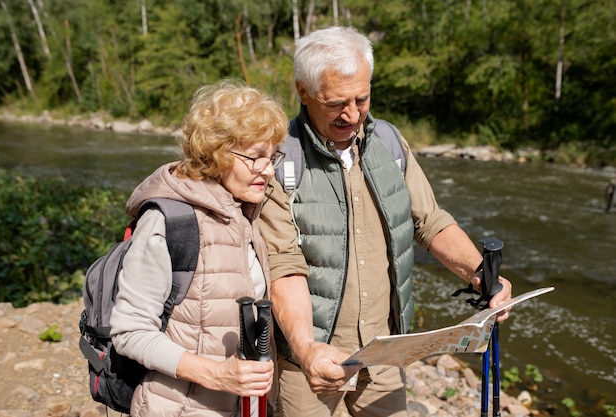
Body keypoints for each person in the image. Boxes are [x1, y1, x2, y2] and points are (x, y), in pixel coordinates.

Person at [258, 26, 514, 417]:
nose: (352, 114)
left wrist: (481, 273)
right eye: (335, 103)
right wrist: (306, 347)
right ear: (303, 91)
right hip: (308, 364)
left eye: (362, 98)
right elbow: (282, 266)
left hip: (385, 355)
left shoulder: (389, 144)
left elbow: (429, 221)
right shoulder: (278, 160)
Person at [110, 79, 288, 417]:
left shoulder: (245, 213)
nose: (267, 170)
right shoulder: (169, 222)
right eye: (255, 158)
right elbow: (129, 331)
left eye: (272, 157)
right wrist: (217, 375)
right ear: (216, 154)